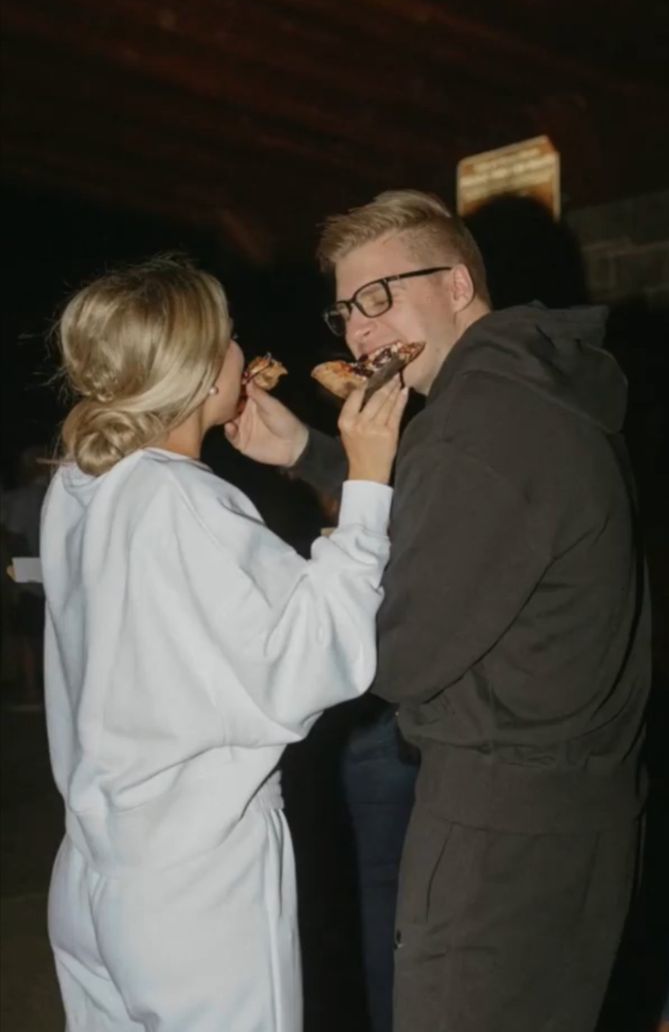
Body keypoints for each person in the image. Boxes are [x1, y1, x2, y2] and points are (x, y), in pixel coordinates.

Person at [227, 190, 652, 1032]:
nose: (359, 330)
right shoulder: (527, 386)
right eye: (347, 308)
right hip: (576, 809)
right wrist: (309, 453)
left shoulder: (482, 425)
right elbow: (445, 503)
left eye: (380, 296)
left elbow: (393, 654)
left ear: (456, 284)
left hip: (502, 828)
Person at [41, 254, 408, 1032]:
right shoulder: (185, 500)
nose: (245, 349)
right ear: (204, 370)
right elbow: (319, 659)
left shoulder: (80, 481)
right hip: (198, 887)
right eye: (231, 336)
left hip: (95, 868)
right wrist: (367, 485)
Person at [1, 444, 49, 708]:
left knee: (26, 635)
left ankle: (31, 690)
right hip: (48, 573)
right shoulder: (52, 494)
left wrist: (17, 574)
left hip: (29, 573)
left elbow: (15, 537)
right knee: (40, 632)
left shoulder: (24, 497)